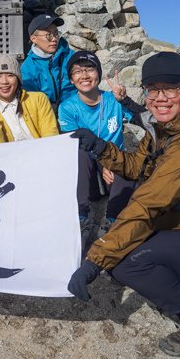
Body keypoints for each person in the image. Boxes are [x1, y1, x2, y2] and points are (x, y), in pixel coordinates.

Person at [67, 52, 180, 359]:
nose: (160, 98)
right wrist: (100, 148)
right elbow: (136, 166)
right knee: (127, 246)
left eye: (171, 88)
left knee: (125, 261)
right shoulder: (170, 127)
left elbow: (148, 204)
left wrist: (94, 260)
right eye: (153, 89)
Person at [59, 51, 140, 238]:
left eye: (90, 69)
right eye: (78, 71)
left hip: (114, 172)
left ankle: (110, 221)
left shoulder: (114, 100)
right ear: (71, 79)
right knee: (79, 151)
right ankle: (82, 217)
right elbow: (73, 145)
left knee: (128, 163)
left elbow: (148, 121)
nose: (85, 75)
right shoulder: (67, 108)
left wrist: (126, 101)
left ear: (99, 74)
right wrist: (104, 163)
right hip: (88, 173)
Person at [0, 54, 59, 143]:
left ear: (18, 79)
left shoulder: (38, 99)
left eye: (10, 75)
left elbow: (51, 135)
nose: (4, 81)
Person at [21, 13, 76, 113]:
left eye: (56, 34)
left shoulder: (71, 57)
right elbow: (31, 102)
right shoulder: (27, 68)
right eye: (49, 35)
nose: (54, 39)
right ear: (34, 39)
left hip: (74, 110)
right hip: (46, 114)